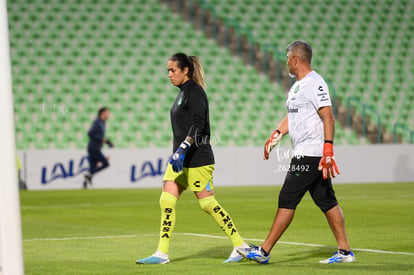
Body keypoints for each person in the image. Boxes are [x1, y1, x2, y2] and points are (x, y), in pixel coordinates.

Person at [237, 41, 355, 264]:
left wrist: (328, 148)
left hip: (310, 154)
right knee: (326, 200)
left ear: (295, 60)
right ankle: (345, 252)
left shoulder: (315, 83)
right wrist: (276, 134)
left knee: (287, 198)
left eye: (287, 59)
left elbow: (328, 116)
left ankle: (264, 251)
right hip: (305, 151)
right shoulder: (296, 87)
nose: (286, 63)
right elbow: (292, 117)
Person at [136, 53, 249, 265]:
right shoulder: (182, 94)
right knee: (166, 200)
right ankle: (162, 253)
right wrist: (178, 152)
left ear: (185, 70)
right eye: (168, 70)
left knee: (207, 203)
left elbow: (199, 124)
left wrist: (184, 147)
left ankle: (239, 244)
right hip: (180, 159)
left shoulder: (195, 92)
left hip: (198, 157)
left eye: (173, 70)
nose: (169, 75)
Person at [84, 107, 114, 188]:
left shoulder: (102, 123)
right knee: (106, 164)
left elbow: (99, 136)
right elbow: (90, 133)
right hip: (94, 147)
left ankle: (84, 186)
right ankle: (88, 175)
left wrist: (107, 142)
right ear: (103, 113)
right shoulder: (97, 122)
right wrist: (104, 141)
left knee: (92, 167)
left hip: (96, 147)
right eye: (107, 113)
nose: (108, 115)